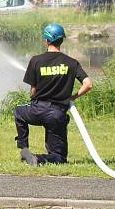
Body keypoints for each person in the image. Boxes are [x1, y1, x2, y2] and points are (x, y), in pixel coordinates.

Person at [14, 23, 94, 166]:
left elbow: (33, 91)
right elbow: (88, 84)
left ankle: (24, 149)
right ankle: (39, 159)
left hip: (36, 111)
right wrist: (72, 97)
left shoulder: (36, 60)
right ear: (62, 40)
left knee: (19, 112)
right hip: (57, 114)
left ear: (46, 40)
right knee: (59, 158)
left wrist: (35, 100)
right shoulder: (71, 63)